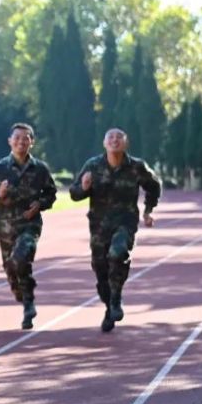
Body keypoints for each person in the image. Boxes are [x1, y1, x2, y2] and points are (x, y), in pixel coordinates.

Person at [69, 127, 161, 332]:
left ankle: (116, 299)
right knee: (101, 270)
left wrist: (148, 210)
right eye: (110, 137)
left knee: (118, 254)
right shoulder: (93, 166)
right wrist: (83, 188)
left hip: (125, 222)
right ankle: (109, 304)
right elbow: (74, 194)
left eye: (119, 137)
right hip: (99, 226)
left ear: (126, 143)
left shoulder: (136, 167)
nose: (115, 140)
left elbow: (154, 186)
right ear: (104, 143)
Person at [0, 123, 57, 329]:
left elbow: (50, 194)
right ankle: (20, 291)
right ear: (10, 141)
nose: (21, 141)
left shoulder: (40, 169)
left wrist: (40, 204)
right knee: (11, 268)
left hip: (29, 225)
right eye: (17, 138)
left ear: (32, 142)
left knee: (21, 259)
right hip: (5, 227)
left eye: (26, 138)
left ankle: (29, 305)